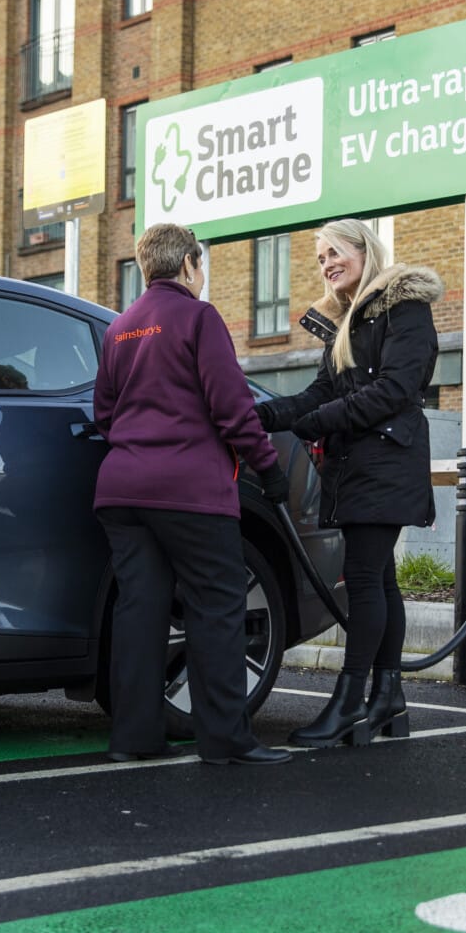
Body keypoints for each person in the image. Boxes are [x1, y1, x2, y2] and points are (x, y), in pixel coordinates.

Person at [93, 223, 292, 767]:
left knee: (139, 609)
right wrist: (268, 468)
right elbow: (232, 407)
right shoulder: (199, 318)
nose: (201, 277)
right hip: (189, 492)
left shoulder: (121, 328)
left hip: (122, 491)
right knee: (217, 605)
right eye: (200, 267)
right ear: (187, 265)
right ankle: (226, 740)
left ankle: (134, 739)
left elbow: (105, 415)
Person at [255, 219, 440, 748]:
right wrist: (257, 415)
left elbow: (394, 390)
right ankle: (387, 698)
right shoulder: (347, 325)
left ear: (364, 250)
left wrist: (313, 423)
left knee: (362, 580)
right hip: (358, 467)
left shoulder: (406, 309)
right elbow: (316, 394)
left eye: (334, 252)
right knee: (379, 582)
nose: (327, 264)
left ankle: (349, 702)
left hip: (387, 464)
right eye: (319, 259)